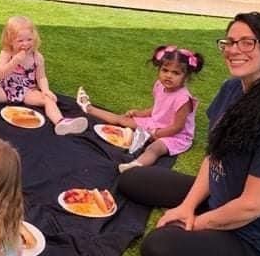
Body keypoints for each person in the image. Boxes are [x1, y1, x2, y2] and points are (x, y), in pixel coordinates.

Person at [117, 12, 260, 256]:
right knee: (132, 179)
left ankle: (206, 222)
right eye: (229, 42)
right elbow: (215, 155)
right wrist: (187, 206)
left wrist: (195, 223)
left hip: (254, 242)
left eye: (247, 42)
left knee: (158, 247)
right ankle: (203, 210)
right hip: (220, 195)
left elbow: (252, 207)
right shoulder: (232, 89)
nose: (233, 50)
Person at [77, 45, 204, 173]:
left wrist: (156, 134)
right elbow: (158, 108)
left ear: (186, 76)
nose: (168, 75)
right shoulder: (159, 86)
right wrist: (140, 113)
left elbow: (177, 127)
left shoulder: (183, 99)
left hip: (174, 135)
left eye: (176, 73)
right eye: (165, 70)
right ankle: (89, 108)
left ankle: (134, 165)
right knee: (123, 120)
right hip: (155, 123)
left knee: (154, 148)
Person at [0, 16, 88, 135]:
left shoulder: (37, 57)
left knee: (48, 100)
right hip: (6, 89)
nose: (25, 44)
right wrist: (14, 61)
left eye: (29, 39)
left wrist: (46, 90)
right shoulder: (6, 53)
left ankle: (61, 122)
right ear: (10, 41)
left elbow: (41, 77)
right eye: (20, 41)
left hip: (27, 91)